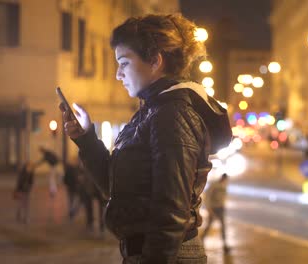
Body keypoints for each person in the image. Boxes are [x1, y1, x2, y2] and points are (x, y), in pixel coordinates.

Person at [60, 14, 232, 264]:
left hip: (168, 256)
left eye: (124, 63)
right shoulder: (154, 110)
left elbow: (171, 211)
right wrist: (86, 139)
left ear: (154, 60)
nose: (118, 74)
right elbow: (117, 189)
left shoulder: (173, 114)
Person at [201, 173, 229, 253]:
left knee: (223, 226)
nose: (225, 181)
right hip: (214, 208)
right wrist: (209, 208)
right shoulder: (214, 185)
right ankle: (202, 239)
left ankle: (225, 245)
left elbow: (223, 197)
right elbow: (208, 196)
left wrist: (223, 205)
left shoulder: (224, 185)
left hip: (221, 208)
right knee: (209, 225)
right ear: (222, 178)